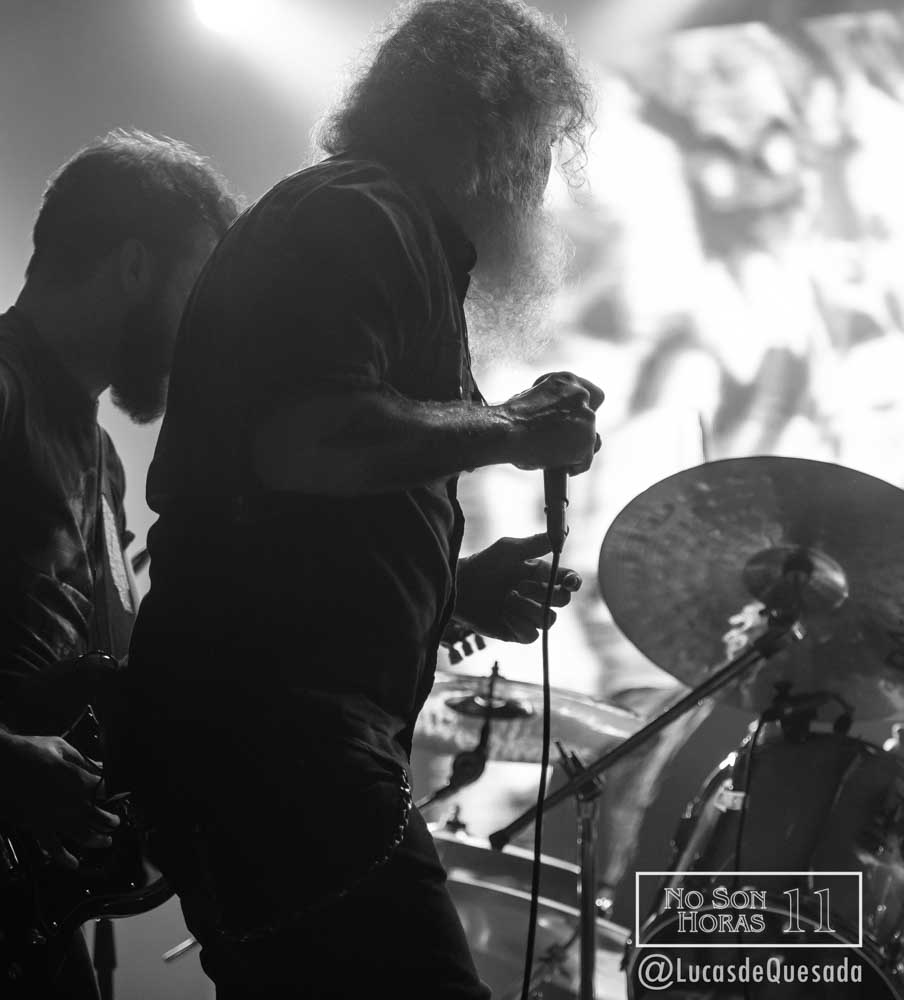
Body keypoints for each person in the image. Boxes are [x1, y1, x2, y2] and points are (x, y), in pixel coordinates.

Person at [120, 2, 601, 997]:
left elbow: (303, 516)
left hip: (264, 732)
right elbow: (311, 437)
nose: (541, 185)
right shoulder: (362, 214)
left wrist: (456, 589)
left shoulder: (378, 227)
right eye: (541, 147)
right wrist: (514, 427)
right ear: (487, 128)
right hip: (279, 737)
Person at [0, 130, 236, 999]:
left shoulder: (101, 455)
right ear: (136, 266)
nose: (203, 329)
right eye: (197, 291)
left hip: (28, 903)